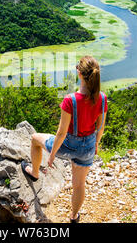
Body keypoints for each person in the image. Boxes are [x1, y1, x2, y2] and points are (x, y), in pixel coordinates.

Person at [21, 55, 108, 223]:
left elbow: (61, 134)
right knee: (79, 185)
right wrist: (95, 144)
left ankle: (35, 172)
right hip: (88, 146)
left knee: (34, 138)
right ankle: (74, 216)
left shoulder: (71, 100)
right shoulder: (102, 98)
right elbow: (101, 127)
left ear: (79, 73)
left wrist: (52, 155)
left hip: (68, 146)